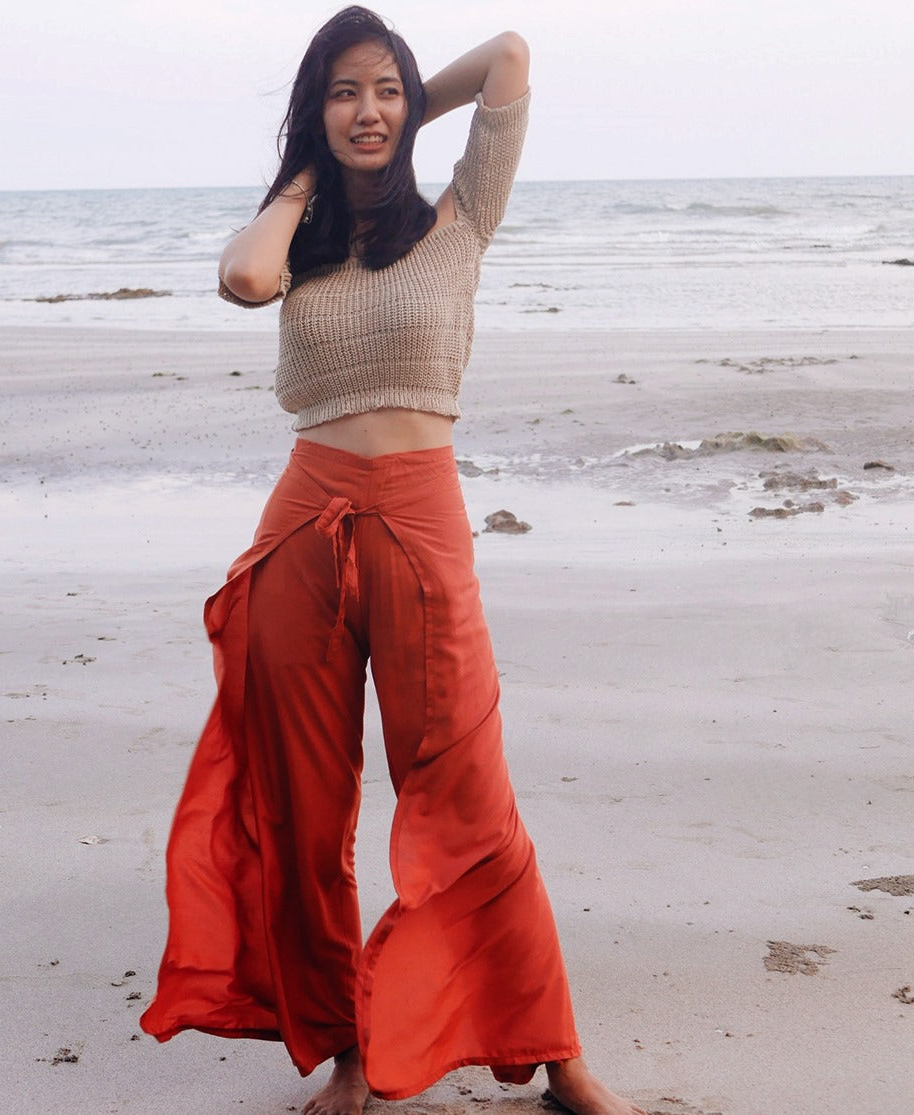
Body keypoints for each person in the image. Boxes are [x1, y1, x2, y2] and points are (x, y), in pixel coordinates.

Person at [140, 8, 645, 1114]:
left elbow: (510, 55)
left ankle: (554, 1052)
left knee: (468, 791)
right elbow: (241, 279)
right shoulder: (299, 237)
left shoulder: (461, 216)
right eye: (340, 93)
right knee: (306, 809)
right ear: (310, 115)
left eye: (382, 90)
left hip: (421, 519)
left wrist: (414, 97)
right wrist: (301, 179)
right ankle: (349, 1052)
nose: (365, 111)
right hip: (303, 523)